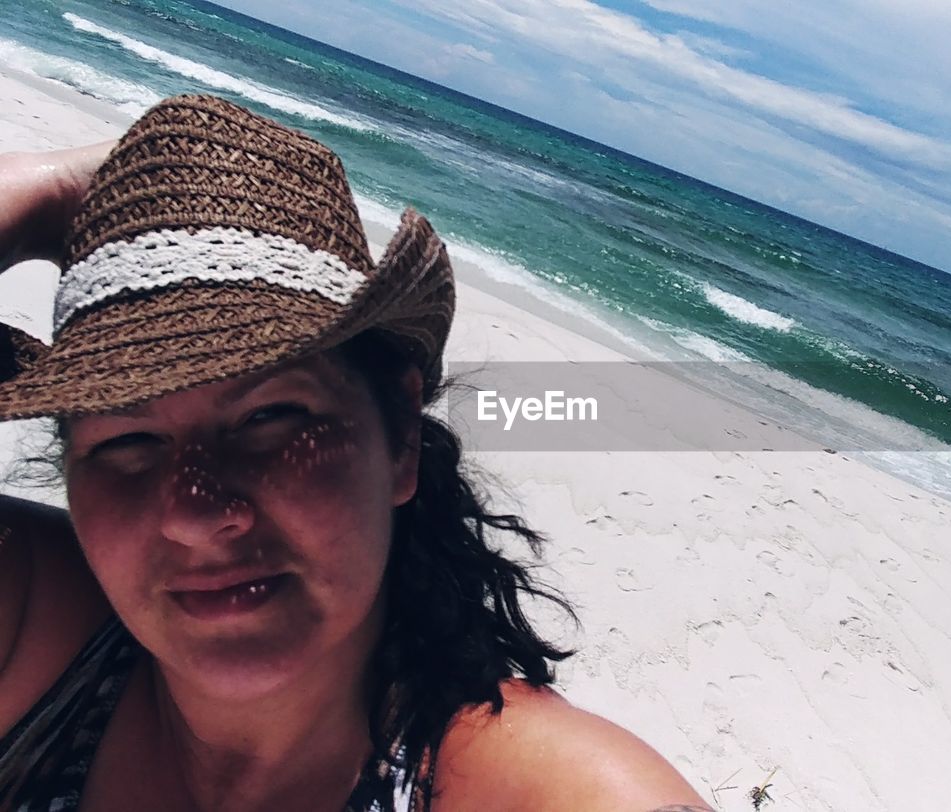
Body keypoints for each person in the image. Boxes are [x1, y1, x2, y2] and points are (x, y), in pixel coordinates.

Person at [0, 94, 712, 812]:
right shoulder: (44, 630)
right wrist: (48, 185)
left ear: (401, 436)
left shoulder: (548, 792)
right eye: (128, 441)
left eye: (271, 417)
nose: (196, 513)